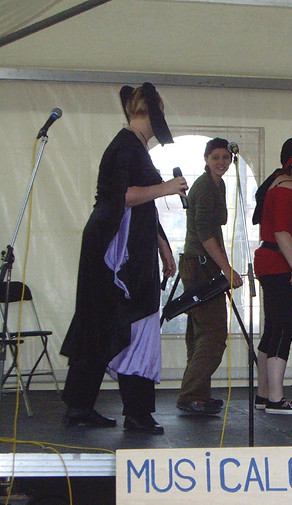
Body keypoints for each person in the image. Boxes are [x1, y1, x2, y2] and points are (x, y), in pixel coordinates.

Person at [60, 83, 188, 434]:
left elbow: (140, 206)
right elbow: (123, 196)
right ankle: (136, 412)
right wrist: (166, 188)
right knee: (132, 322)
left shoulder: (133, 146)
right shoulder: (125, 146)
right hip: (116, 253)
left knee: (103, 322)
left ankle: (83, 407)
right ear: (151, 110)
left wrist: (162, 246)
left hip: (122, 248)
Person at [176, 138, 244, 416]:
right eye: (215, 157)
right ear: (206, 159)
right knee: (213, 334)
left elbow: (213, 230)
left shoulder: (218, 185)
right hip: (199, 264)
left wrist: (222, 267)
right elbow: (204, 233)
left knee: (200, 333)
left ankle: (198, 393)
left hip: (202, 264)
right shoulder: (204, 187)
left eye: (226, 158)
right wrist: (227, 269)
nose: (222, 162)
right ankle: (191, 394)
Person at [252, 137, 292, 415]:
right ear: (289, 160)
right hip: (279, 264)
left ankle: (264, 394)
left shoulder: (282, 185)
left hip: (273, 263)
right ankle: (276, 399)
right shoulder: (286, 189)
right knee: (284, 328)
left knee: (274, 327)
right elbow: (281, 232)